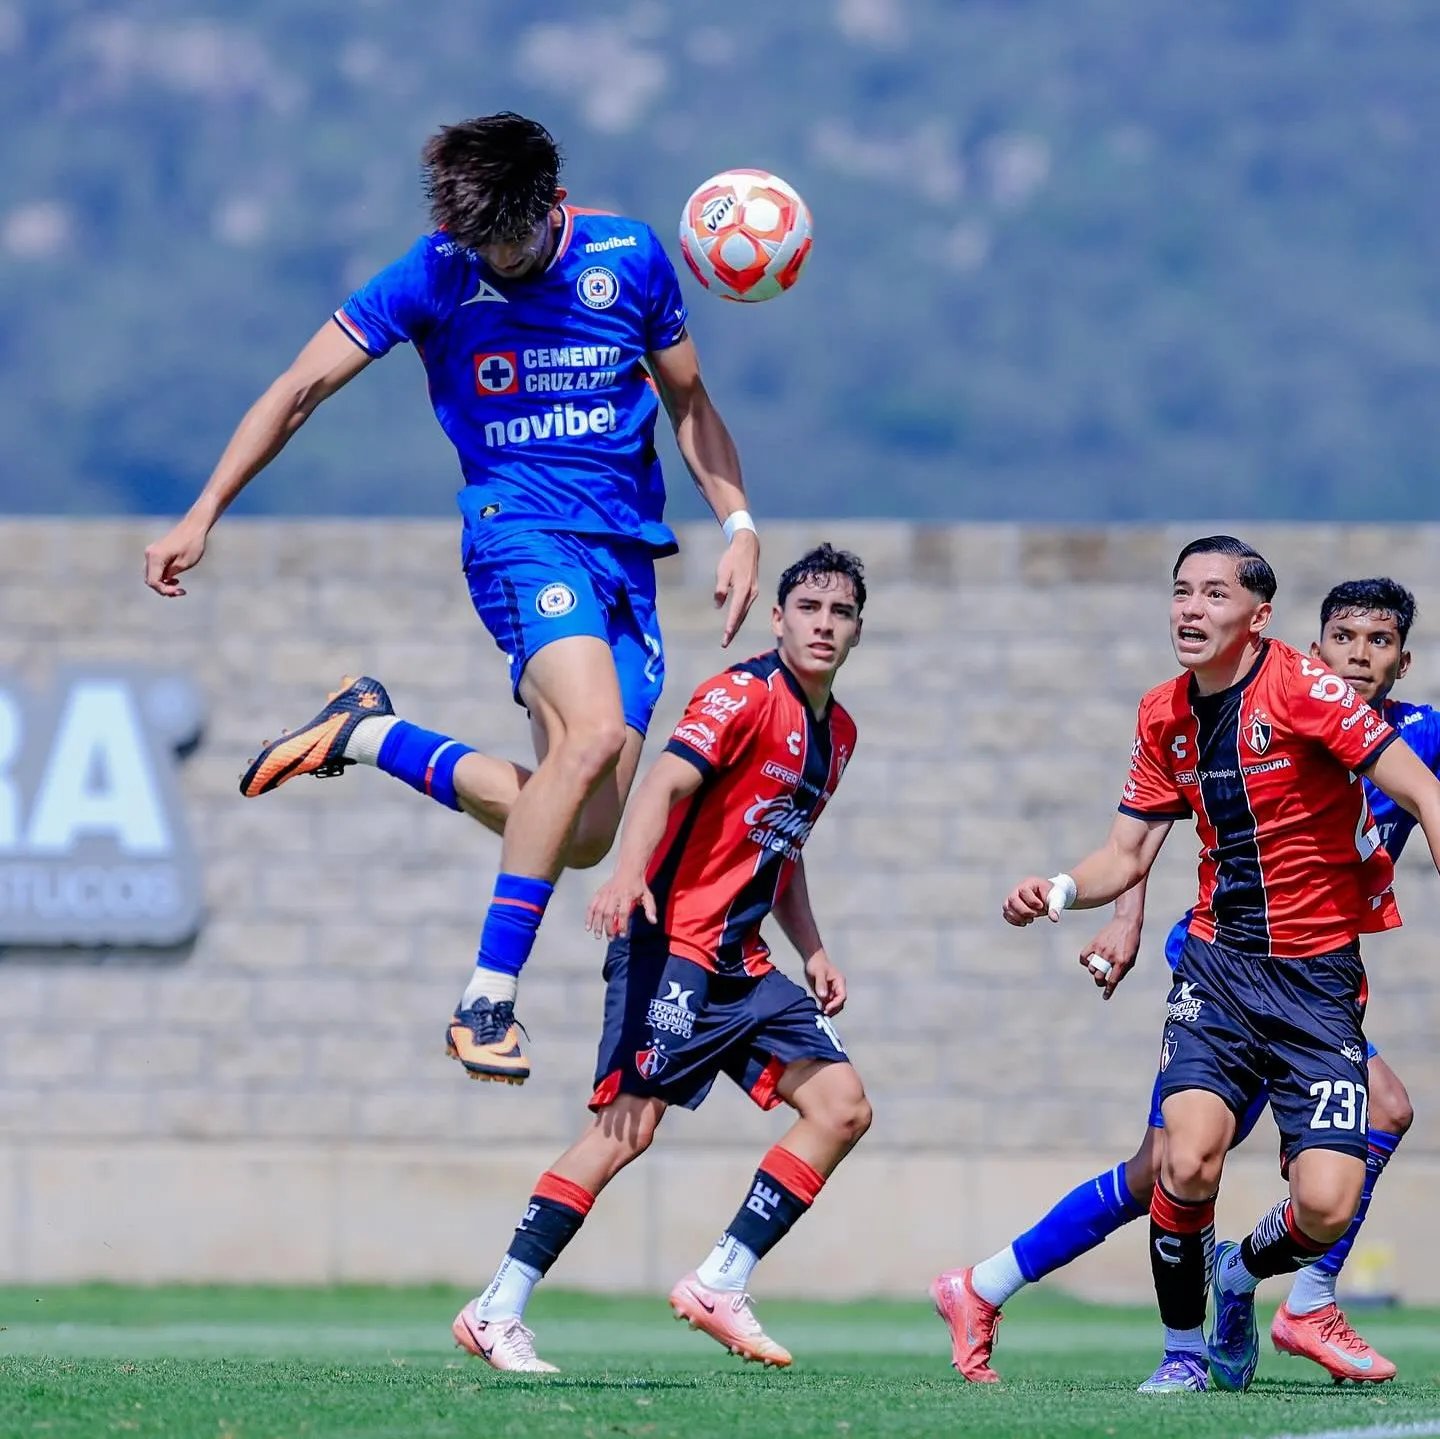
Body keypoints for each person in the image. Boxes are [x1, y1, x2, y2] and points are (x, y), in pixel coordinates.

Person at [142, 113, 760, 1085]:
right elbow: (301, 386)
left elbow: (689, 400)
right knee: (593, 736)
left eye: (508, 245)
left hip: (626, 561)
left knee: (586, 831)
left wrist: (738, 526)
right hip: (516, 537)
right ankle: (486, 998)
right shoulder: (434, 273)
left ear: (554, 206)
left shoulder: (630, 258)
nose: (493, 263)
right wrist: (203, 509)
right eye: (478, 247)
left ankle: (370, 734)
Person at [933, 577, 1432, 1386]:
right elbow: (1152, 824)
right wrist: (1121, 917)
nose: (1360, 656)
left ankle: (992, 1283)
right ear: (1315, 646)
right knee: (1175, 1164)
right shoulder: (1256, 705)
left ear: (1404, 659)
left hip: (1317, 977)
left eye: (1379, 643)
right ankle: (1233, 1326)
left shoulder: (1411, 735)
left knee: (1344, 1133)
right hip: (1222, 964)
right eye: (1344, 638)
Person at [450, 545, 870, 1372]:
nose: (824, 624)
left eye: (841, 612)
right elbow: (662, 785)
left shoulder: (839, 734)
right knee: (624, 1130)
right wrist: (628, 872)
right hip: (673, 945)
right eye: (809, 608)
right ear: (777, 618)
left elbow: (779, 847)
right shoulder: (742, 694)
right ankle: (496, 1308)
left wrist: (814, 948)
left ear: (858, 631)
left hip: (742, 965)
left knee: (842, 1106)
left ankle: (723, 1277)